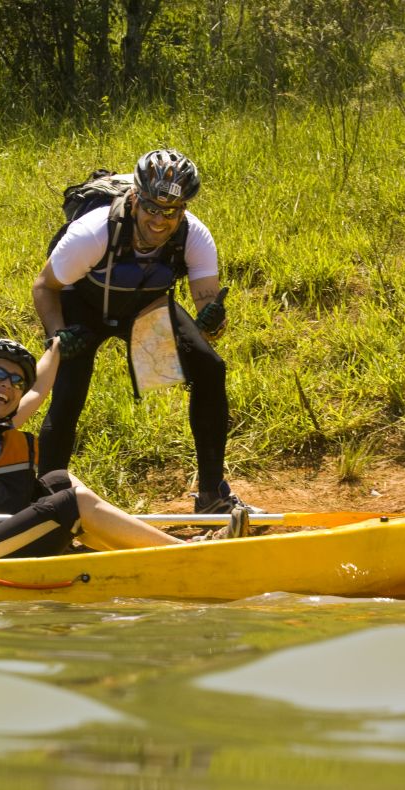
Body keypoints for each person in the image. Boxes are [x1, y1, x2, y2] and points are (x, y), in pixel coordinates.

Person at [0, 267, 209, 561]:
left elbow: (39, 387)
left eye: (16, 380)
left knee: (59, 481)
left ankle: (153, 553)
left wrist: (58, 343)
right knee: (68, 501)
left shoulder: (4, 423)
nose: (9, 385)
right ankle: (180, 552)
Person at [32, 148, 263, 516]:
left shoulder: (195, 236)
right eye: (152, 208)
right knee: (68, 394)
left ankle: (211, 495)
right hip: (83, 305)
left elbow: (211, 323)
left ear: (183, 209)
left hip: (143, 306)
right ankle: (43, 505)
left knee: (209, 368)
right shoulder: (92, 232)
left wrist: (214, 323)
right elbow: (44, 287)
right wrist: (58, 336)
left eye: (171, 211)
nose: (160, 220)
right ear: (136, 198)